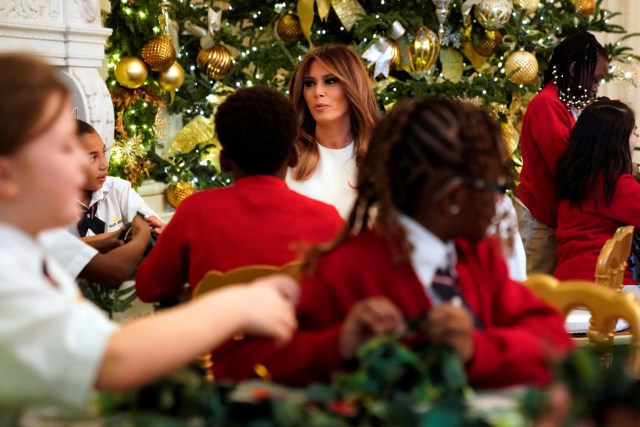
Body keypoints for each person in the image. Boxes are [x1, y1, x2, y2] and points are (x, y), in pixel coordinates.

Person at [210, 98, 574, 388]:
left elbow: (556, 343)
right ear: (451, 199)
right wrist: (337, 345)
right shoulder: (347, 270)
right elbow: (236, 367)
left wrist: (478, 349)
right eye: (494, 189)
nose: (501, 202)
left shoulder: (476, 259)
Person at [0, 54, 298, 408]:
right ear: (7, 177)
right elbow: (111, 358)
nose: (87, 164)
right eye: (64, 148)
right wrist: (238, 303)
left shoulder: (31, 244)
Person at [135, 86, 344, 303]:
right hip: (296, 336)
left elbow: (149, 288)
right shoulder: (327, 219)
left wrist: (142, 237)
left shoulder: (194, 212)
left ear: (223, 161)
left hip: (216, 336)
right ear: (293, 156)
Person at [514, 31, 609, 275]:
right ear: (574, 69)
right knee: (538, 292)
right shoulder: (548, 103)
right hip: (539, 218)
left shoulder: (572, 103)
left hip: (554, 218)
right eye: (595, 78)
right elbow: (567, 164)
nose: (596, 86)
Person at [555, 99, 640, 293]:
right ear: (615, 141)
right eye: (632, 132)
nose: (635, 139)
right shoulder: (614, 183)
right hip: (602, 283)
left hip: (567, 280)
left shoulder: (579, 176)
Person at [286, 43, 379, 218]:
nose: (318, 92)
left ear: (353, 86)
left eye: (330, 81)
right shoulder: (287, 160)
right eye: (309, 83)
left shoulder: (382, 159)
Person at [65, 119, 164, 238]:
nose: (104, 164)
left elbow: (152, 226)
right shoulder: (49, 207)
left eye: (103, 153)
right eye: (92, 158)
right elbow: (61, 249)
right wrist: (118, 235)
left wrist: (157, 228)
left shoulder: (118, 190)